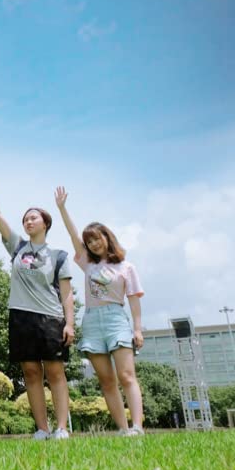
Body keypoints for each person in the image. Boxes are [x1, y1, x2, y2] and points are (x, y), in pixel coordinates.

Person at [0, 163, 74, 440]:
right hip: (21, 316)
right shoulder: (17, 246)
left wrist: (70, 324)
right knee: (30, 372)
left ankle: (61, 427)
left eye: (34, 218)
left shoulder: (59, 256)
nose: (28, 222)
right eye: (26, 219)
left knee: (55, 372)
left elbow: (67, 294)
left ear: (45, 224)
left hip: (51, 318)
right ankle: (42, 428)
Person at [55, 186, 146, 435]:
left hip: (116, 319)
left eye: (97, 238)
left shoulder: (126, 267)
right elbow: (73, 235)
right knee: (106, 380)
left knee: (127, 376)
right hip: (92, 321)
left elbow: (134, 300)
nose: (94, 244)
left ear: (107, 237)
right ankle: (123, 429)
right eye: (90, 241)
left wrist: (137, 329)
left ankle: (137, 427)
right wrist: (62, 209)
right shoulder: (88, 264)